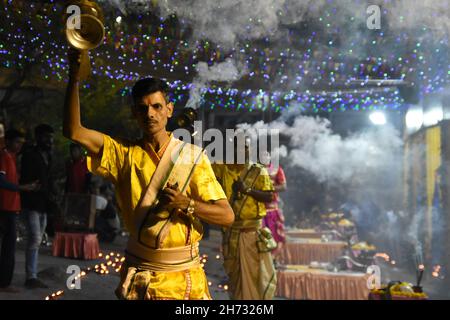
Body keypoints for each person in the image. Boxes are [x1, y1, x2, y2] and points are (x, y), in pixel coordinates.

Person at [63, 48, 234, 300]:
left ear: (169, 109)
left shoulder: (192, 157)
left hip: (185, 279)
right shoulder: (122, 153)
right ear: (134, 113)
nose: (150, 114)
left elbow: (227, 215)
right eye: (142, 108)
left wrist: (186, 204)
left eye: (156, 106)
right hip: (140, 274)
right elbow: (74, 131)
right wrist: (74, 78)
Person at [213, 137, 277, 300]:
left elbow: (269, 196)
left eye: (245, 147)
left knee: (255, 274)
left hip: (251, 233)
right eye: (237, 147)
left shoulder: (258, 170)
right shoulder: (223, 168)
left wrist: (246, 190)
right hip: (230, 231)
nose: (241, 151)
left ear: (250, 150)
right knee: (234, 275)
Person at [0, 129, 39, 292]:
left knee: (9, 247)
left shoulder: (13, 157)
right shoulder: (3, 157)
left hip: (12, 207)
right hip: (4, 208)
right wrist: (23, 187)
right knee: (8, 248)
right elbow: (1, 182)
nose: (20, 145)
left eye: (21, 142)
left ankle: (4, 282)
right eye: (17, 142)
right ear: (8, 141)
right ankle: (3, 284)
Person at [20, 124, 55, 289]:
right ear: (39, 137)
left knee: (38, 239)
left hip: (43, 203)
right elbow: (25, 177)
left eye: (51, 137)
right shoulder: (29, 154)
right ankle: (31, 276)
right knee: (34, 238)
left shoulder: (48, 154)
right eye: (47, 137)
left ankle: (32, 275)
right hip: (31, 202)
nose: (50, 140)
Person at [260, 151, 287, 259]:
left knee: (275, 237)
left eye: (267, 154)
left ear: (270, 156)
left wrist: (269, 188)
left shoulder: (276, 169)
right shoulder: (255, 170)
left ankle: (273, 261)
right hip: (258, 210)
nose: (265, 157)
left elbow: (283, 186)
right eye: (262, 155)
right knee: (260, 240)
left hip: (272, 211)